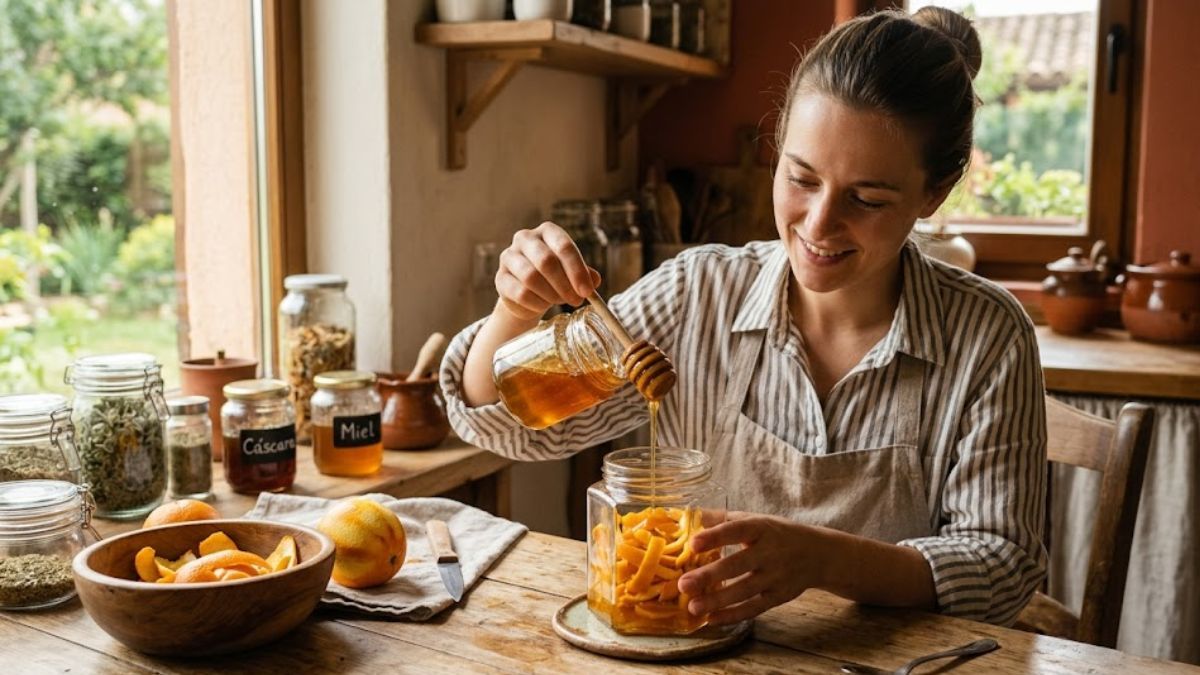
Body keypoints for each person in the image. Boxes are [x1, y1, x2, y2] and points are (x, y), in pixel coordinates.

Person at [440, 6, 1046, 627]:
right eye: (801, 177)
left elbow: (1002, 564)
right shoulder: (697, 294)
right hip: (699, 646)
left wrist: (822, 560)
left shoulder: (987, 335)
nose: (818, 225)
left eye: (866, 198)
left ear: (933, 194)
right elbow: (504, 427)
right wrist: (513, 311)